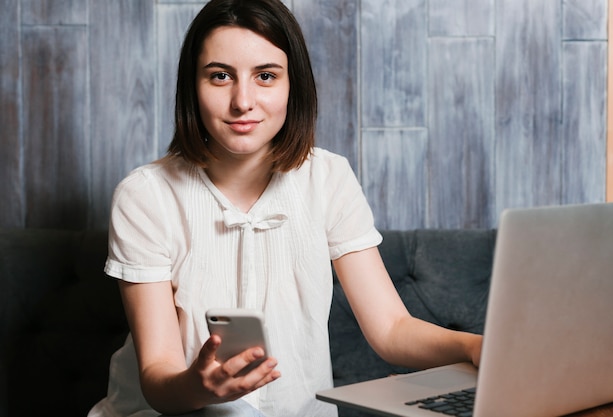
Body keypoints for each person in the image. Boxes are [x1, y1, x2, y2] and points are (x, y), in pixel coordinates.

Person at [88, 0, 482, 416]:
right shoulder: (146, 195)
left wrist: (476, 347)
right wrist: (200, 387)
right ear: (193, 87)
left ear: (293, 85)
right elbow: (158, 377)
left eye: (266, 76)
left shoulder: (329, 177)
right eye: (220, 76)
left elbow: (391, 329)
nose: (243, 101)